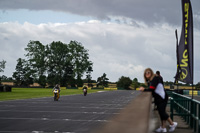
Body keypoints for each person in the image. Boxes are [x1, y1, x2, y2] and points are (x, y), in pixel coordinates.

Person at [140, 68, 177, 132]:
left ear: (151, 73)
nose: (147, 74)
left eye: (148, 72)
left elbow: (151, 89)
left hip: (162, 98)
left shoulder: (155, 79)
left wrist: (144, 90)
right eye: (145, 73)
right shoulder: (150, 81)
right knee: (161, 112)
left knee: (162, 112)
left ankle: (172, 124)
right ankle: (163, 127)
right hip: (159, 98)